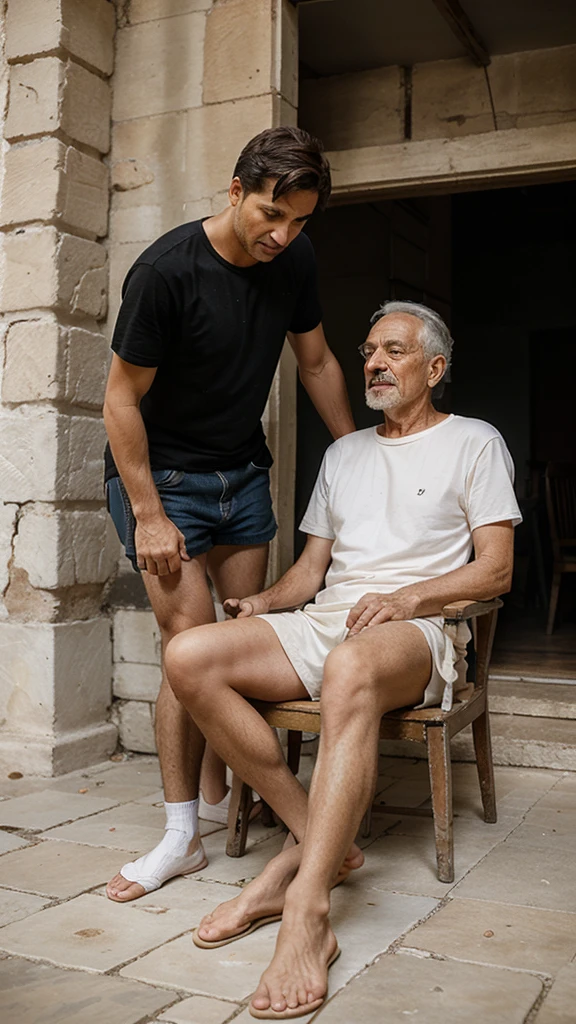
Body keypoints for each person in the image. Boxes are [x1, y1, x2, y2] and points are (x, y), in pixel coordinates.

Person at [164, 300, 522, 1020]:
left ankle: (304, 908)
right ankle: (313, 840)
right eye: (367, 352)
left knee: (351, 666)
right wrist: (264, 603)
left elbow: (496, 571)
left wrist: (409, 597)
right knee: (189, 654)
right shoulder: (345, 453)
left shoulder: (474, 442)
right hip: (330, 618)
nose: (374, 363)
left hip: (419, 629)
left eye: (393, 350)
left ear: (435, 368)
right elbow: (310, 573)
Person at [103, 126, 355, 903]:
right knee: (189, 651)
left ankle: (223, 799)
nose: (284, 236)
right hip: (166, 479)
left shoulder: (296, 260)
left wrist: (359, 457)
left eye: (301, 222)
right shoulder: (166, 272)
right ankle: (185, 834)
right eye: (273, 215)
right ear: (237, 190)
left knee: (241, 643)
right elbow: (119, 398)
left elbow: (313, 360)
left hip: (242, 474)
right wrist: (149, 514)